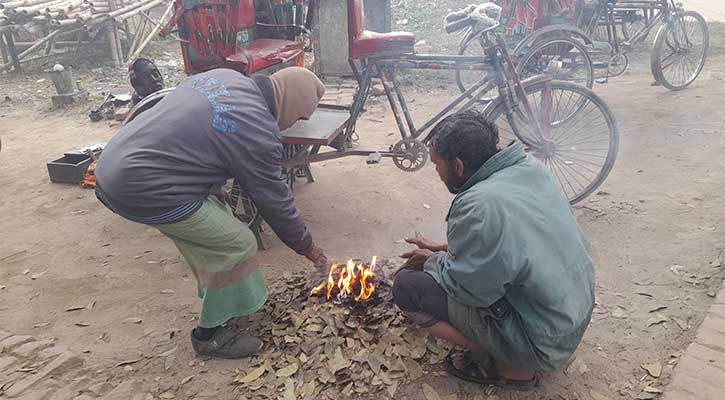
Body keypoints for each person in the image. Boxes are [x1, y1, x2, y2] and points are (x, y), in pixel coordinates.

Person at [94, 67, 328, 359]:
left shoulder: (226, 77)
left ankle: (225, 300)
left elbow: (202, 134)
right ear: (293, 103)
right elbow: (275, 200)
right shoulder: (258, 128)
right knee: (237, 243)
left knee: (214, 228)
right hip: (142, 187)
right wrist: (309, 248)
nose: (295, 123)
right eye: (300, 117)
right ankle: (209, 336)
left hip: (114, 162)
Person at [392, 110, 594, 390]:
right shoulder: (528, 168)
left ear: (458, 165)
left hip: (543, 343)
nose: (436, 172)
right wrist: (444, 249)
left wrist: (434, 261)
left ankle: (512, 365)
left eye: (437, 164)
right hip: (570, 319)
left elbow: (470, 291)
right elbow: (516, 243)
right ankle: (517, 353)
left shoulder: (478, 203)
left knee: (406, 286)